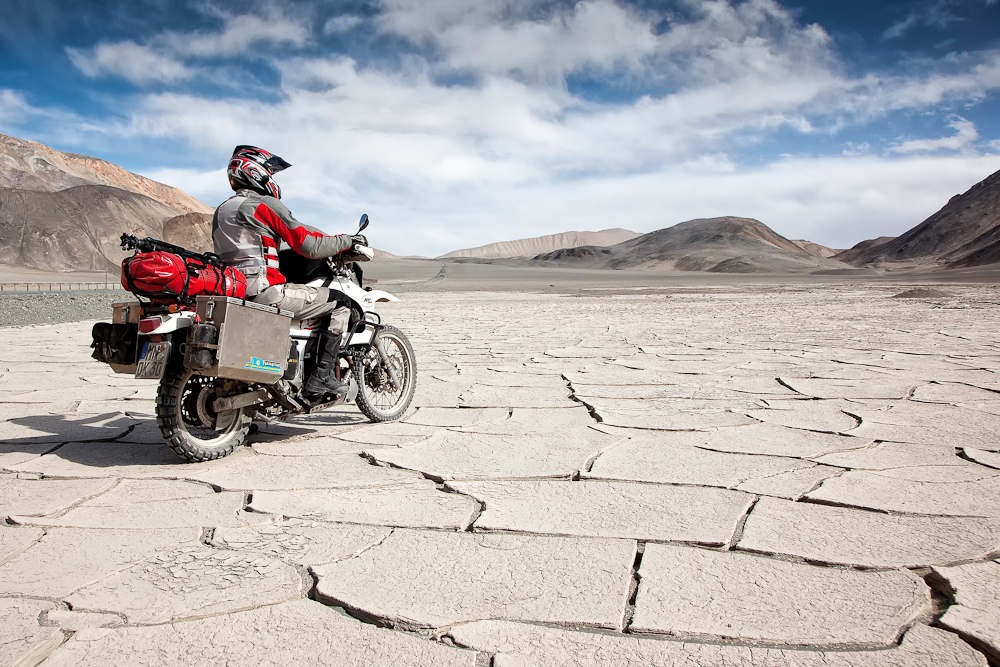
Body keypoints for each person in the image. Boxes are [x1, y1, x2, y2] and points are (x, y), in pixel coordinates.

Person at [212, 145, 364, 399]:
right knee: (341, 304)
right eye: (270, 171)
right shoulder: (262, 205)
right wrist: (347, 241)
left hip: (232, 291)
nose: (272, 178)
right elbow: (308, 244)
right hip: (264, 292)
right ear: (256, 172)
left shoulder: (221, 211)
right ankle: (321, 377)